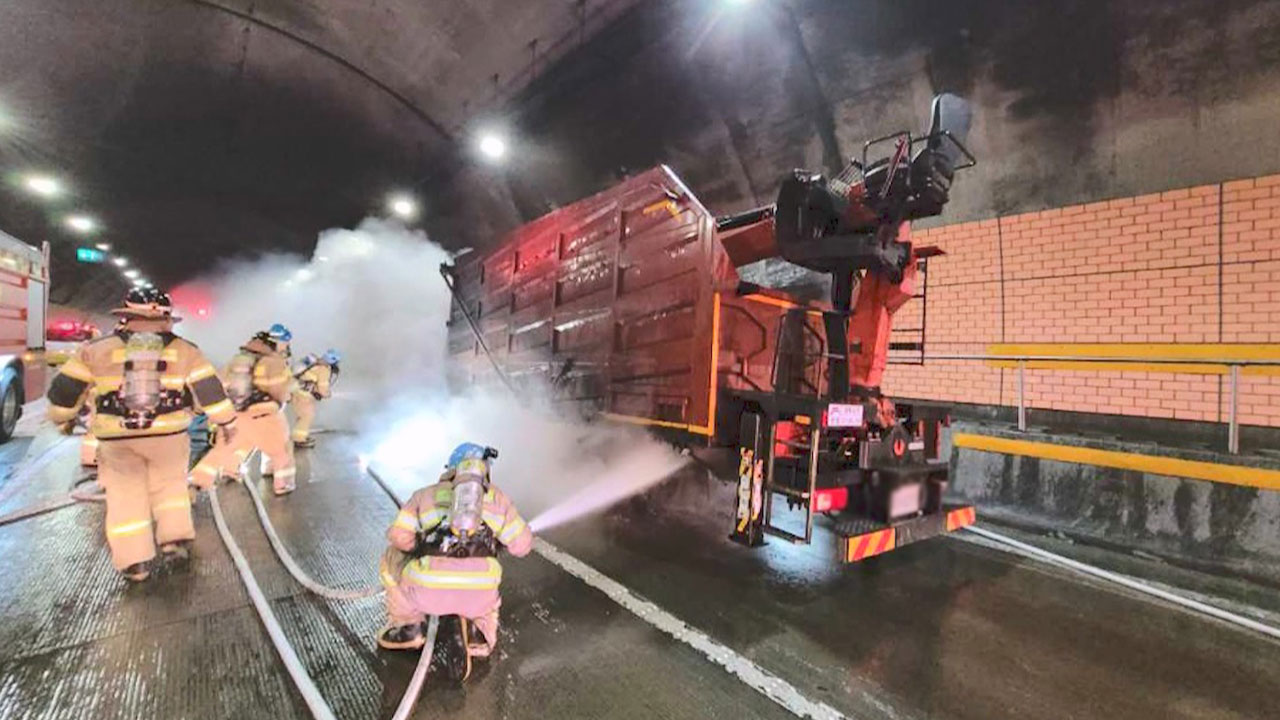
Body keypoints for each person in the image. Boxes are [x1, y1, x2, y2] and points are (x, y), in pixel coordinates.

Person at [46, 288, 238, 582]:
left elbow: (63, 393)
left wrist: (63, 419)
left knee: (125, 495)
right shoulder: (186, 350)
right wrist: (226, 421)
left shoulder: (95, 349)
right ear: (165, 318)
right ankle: (174, 541)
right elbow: (210, 392)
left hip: (116, 441)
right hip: (169, 437)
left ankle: (135, 562)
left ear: (126, 315)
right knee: (171, 488)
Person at [377, 443, 532, 669]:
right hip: (478, 597)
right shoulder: (499, 499)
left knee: (391, 557)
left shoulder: (425, 495)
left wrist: (421, 545)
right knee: (490, 583)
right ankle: (478, 635)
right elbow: (522, 546)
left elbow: (399, 537)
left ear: (451, 468)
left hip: (426, 592)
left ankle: (409, 627)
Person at [190, 326, 297, 494]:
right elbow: (280, 390)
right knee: (281, 450)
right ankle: (283, 483)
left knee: (225, 449)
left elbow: (218, 384)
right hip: (264, 415)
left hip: (236, 415)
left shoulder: (238, 359)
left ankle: (200, 480)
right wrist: (290, 390)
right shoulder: (274, 361)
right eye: (285, 343)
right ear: (277, 343)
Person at [290, 348, 339, 449]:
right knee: (307, 417)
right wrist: (327, 394)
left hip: (295, 391)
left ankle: (298, 436)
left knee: (301, 416)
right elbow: (323, 388)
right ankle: (299, 440)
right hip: (305, 396)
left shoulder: (314, 361)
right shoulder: (324, 369)